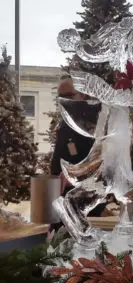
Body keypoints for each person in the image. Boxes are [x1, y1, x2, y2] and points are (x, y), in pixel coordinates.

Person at [50, 76, 107, 233]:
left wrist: (73, 175)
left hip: (88, 197)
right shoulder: (68, 119)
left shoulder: (93, 120)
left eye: (69, 96)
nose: (64, 101)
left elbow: (100, 160)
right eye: (61, 97)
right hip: (65, 195)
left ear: (82, 95)